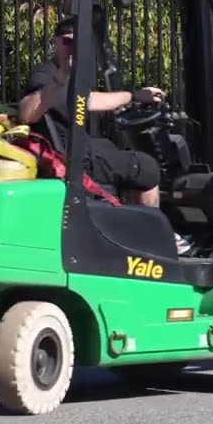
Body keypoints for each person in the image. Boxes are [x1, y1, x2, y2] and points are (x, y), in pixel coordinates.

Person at [18, 16, 192, 254]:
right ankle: (154, 239)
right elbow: (30, 112)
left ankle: (133, 230)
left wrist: (134, 96)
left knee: (112, 149)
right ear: (57, 43)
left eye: (77, 42)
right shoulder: (48, 75)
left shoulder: (78, 74)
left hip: (81, 147)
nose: (71, 47)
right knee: (146, 167)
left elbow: (89, 101)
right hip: (69, 157)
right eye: (66, 41)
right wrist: (60, 78)